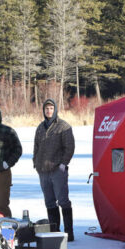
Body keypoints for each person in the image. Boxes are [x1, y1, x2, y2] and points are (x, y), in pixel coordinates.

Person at [33, 99, 76, 241]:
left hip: (58, 169)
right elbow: (36, 147)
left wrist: (64, 163)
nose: (49, 111)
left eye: (51, 108)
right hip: (43, 170)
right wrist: (36, 162)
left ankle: (69, 232)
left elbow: (69, 147)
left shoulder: (63, 126)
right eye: (46, 109)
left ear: (55, 110)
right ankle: (54, 230)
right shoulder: (40, 127)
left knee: (63, 200)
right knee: (49, 201)